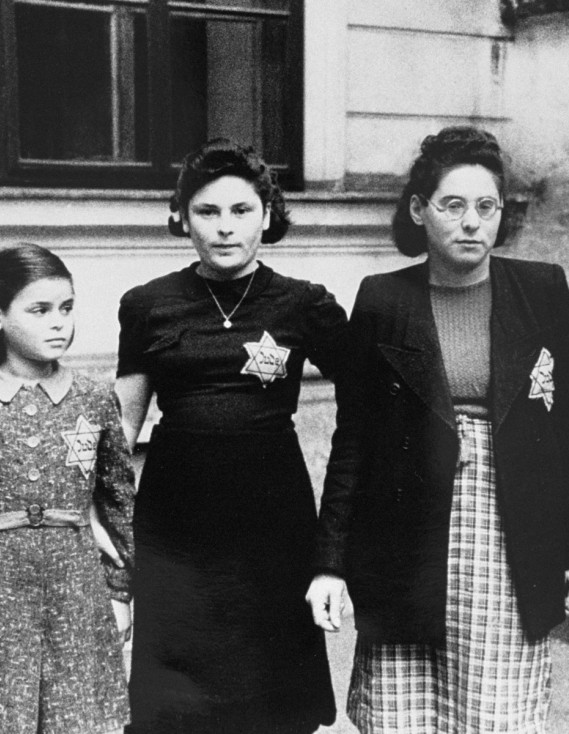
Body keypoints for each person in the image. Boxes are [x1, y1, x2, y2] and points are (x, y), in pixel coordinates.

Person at [308, 126, 569, 733]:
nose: (471, 223)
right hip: (405, 541)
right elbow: (354, 440)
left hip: (511, 535)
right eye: (452, 205)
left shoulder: (541, 290)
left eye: (486, 207)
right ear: (420, 210)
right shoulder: (384, 299)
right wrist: (330, 563)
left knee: (494, 712)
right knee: (404, 713)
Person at [116, 138, 346, 733]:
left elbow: (373, 406)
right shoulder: (148, 305)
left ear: (267, 216)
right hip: (176, 526)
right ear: (181, 217)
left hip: (274, 522)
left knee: (270, 702)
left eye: (241, 211)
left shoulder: (304, 304)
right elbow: (121, 432)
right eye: (207, 212)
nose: (224, 228)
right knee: (178, 706)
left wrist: (338, 544)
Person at [0, 243, 134, 733]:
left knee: (77, 717)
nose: (59, 322)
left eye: (67, 308)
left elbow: (119, 501)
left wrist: (119, 593)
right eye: (40, 310)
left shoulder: (94, 397)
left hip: (76, 588)